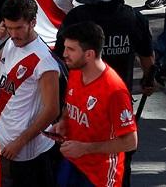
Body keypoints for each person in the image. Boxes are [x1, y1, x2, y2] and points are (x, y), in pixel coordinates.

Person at [0, 0, 62, 183]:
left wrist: (20, 142)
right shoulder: (10, 44)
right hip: (2, 142)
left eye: (19, 28)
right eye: (9, 28)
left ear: (33, 22)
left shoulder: (44, 61)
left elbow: (52, 109)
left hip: (27, 153)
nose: (13, 34)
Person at [54, 20, 138, 186]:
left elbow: (130, 142)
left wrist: (85, 148)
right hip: (73, 162)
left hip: (99, 175)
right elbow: (70, 104)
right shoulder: (76, 71)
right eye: (65, 47)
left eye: (71, 49)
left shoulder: (115, 91)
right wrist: (64, 121)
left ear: (89, 54)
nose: (64, 54)